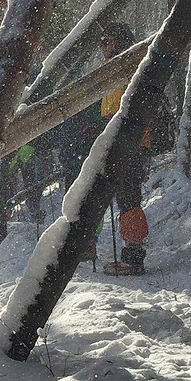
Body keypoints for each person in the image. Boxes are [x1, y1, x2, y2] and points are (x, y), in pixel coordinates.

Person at [47, 21, 172, 275]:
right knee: (119, 195)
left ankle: (133, 256)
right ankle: (122, 251)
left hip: (132, 143)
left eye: (106, 41)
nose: (102, 47)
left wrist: (105, 127)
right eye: (101, 42)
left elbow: (130, 107)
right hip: (123, 141)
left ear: (117, 41)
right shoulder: (118, 67)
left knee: (127, 197)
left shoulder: (128, 65)